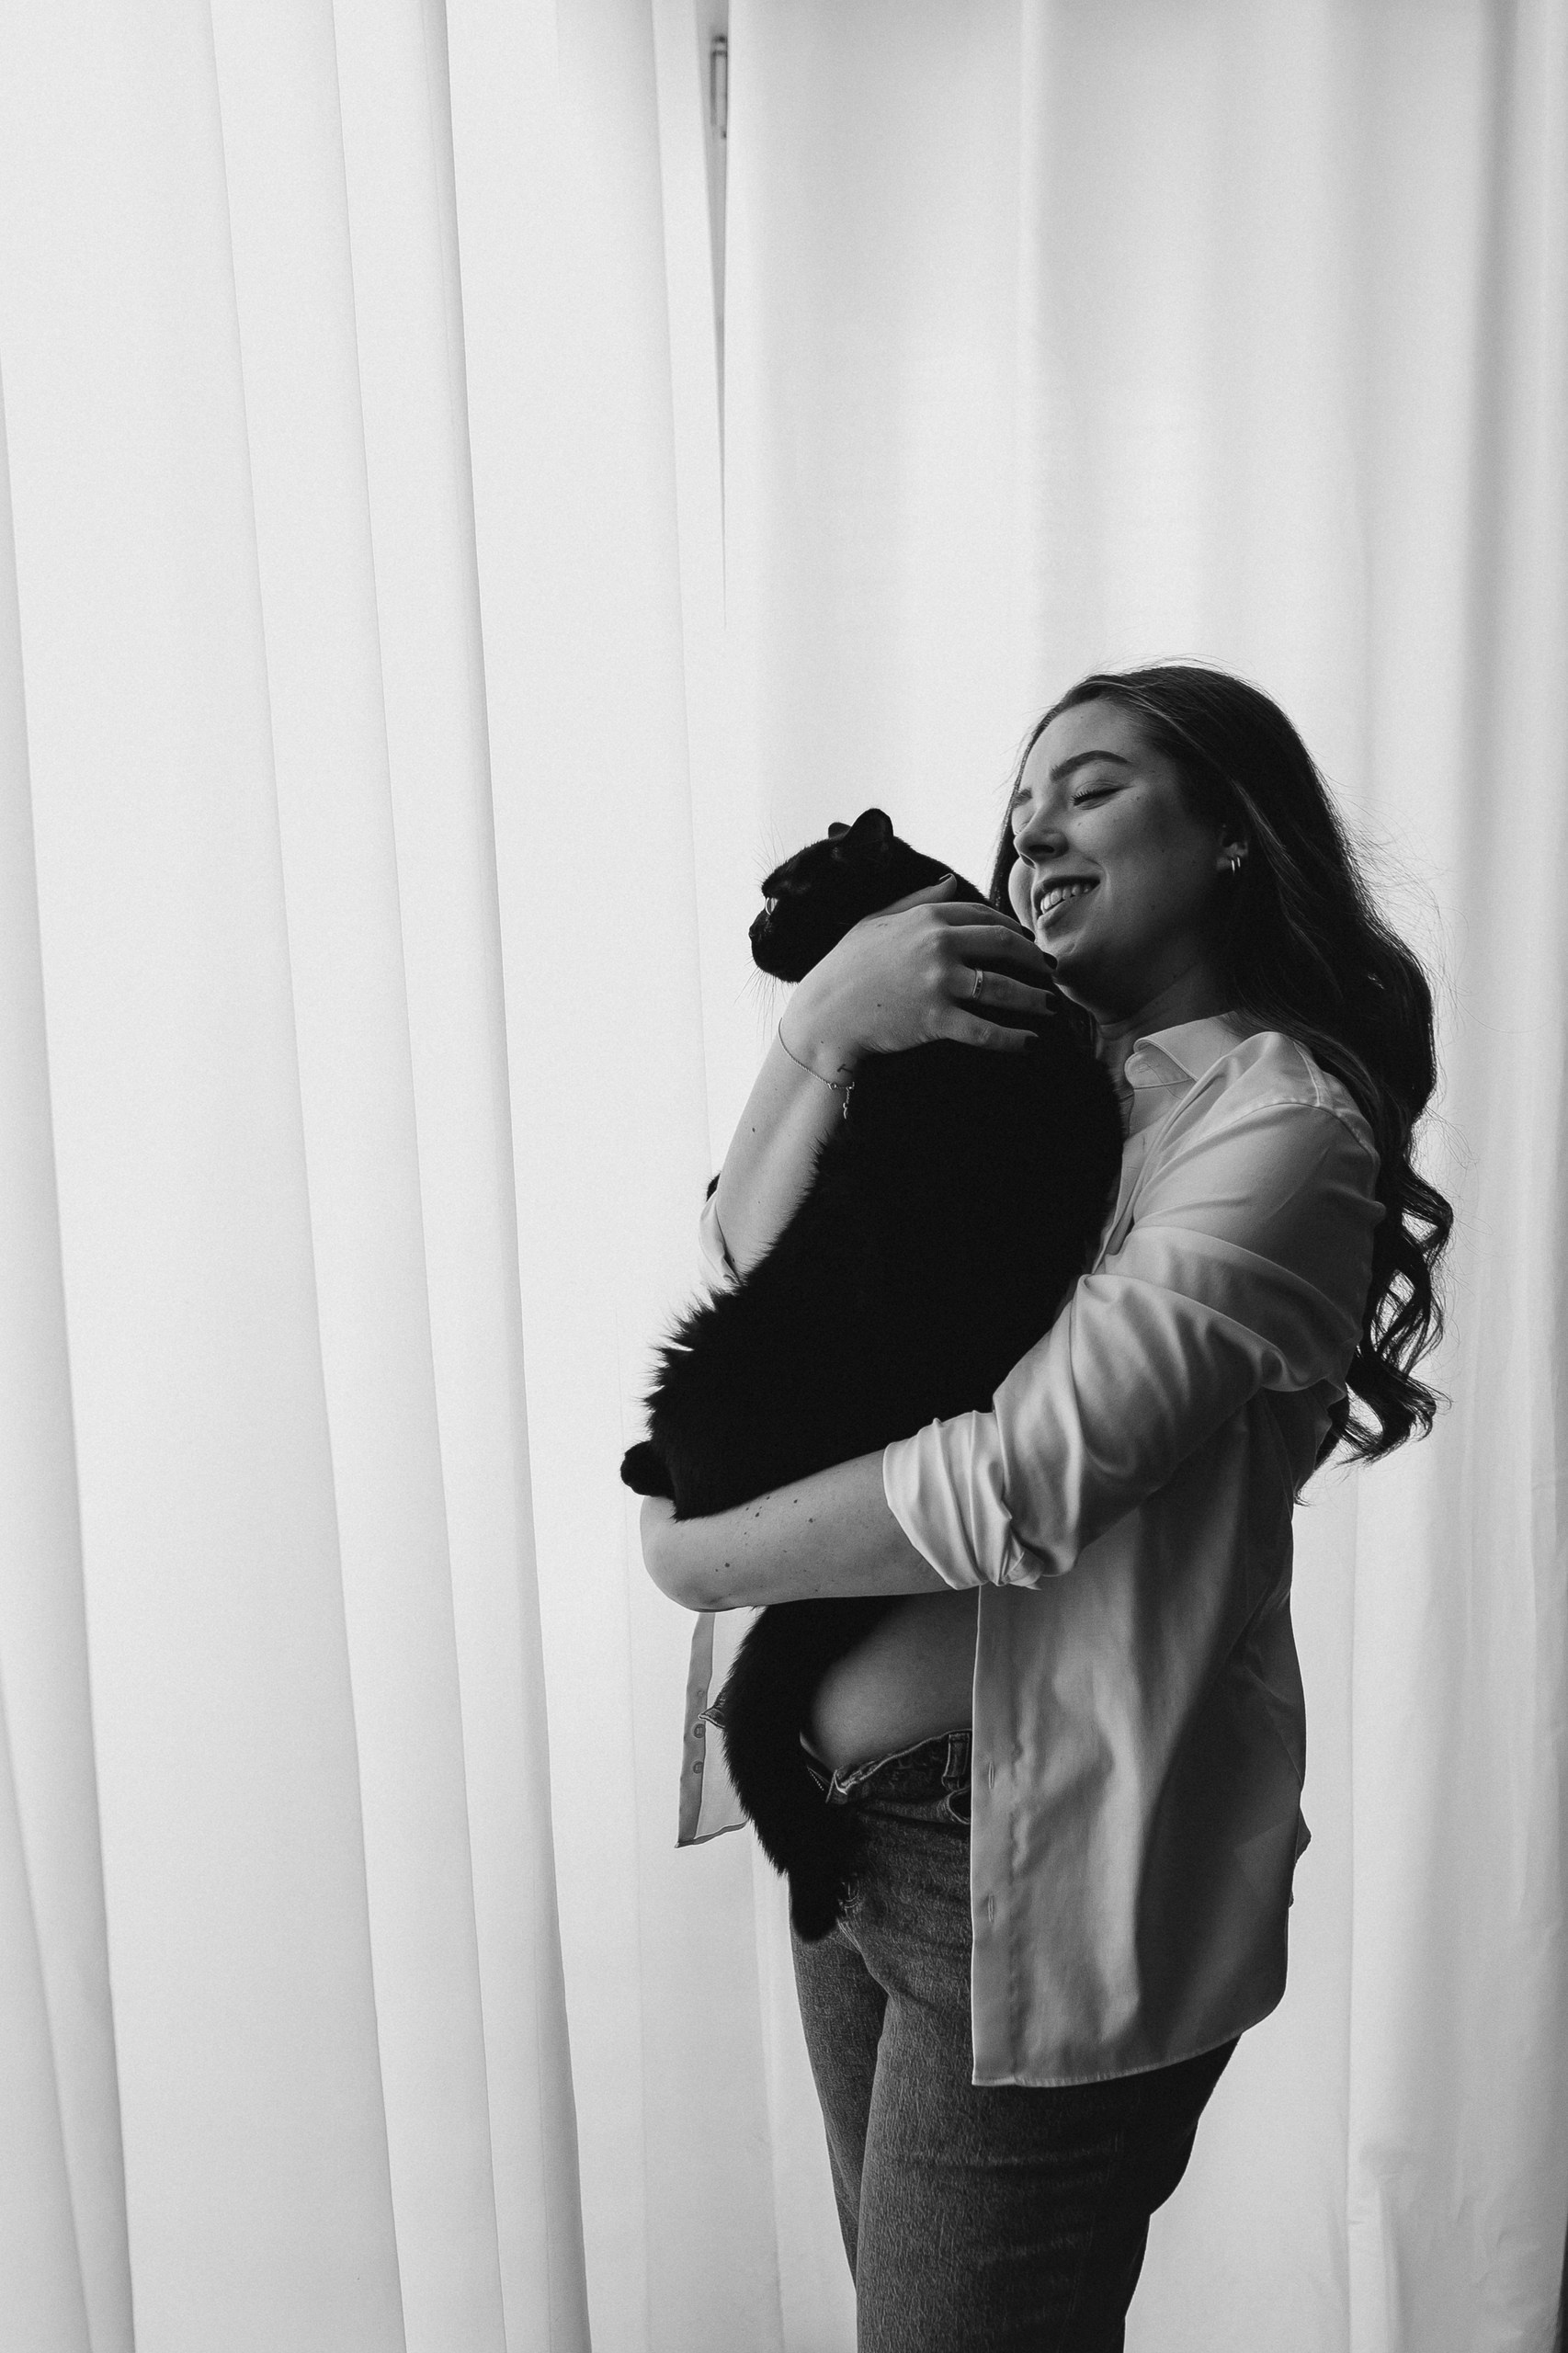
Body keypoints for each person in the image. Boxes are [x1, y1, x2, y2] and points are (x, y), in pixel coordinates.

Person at [640, 664, 1453, 2352]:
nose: (1032, 835)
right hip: (859, 1830)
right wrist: (820, 1032)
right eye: (1019, 810)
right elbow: (756, 1278)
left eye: (1089, 788)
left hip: (1027, 1859)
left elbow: (1025, 1480)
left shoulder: (1276, 1128)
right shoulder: (1008, 1073)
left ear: (1231, 837)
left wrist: (696, 1558)